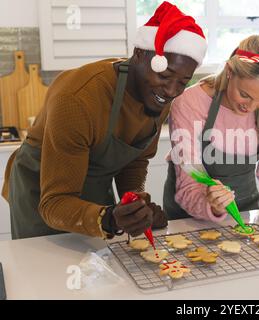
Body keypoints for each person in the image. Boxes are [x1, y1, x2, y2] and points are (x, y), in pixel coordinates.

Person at [1, 1, 207, 240]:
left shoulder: (158, 95)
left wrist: (137, 204)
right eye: (164, 75)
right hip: (43, 190)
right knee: (48, 270)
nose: (172, 91)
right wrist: (108, 219)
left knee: (97, 268)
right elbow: (54, 203)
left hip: (96, 186)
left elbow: (135, 161)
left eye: (182, 82)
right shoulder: (79, 99)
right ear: (139, 54)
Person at [163, 34, 259, 227]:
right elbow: (188, 184)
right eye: (245, 95)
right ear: (230, 71)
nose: (251, 107)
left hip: (245, 219)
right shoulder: (191, 103)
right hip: (188, 222)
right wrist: (213, 204)